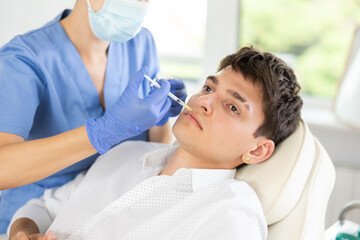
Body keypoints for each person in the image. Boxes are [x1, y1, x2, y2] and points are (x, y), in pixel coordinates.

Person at [8, 46, 303, 240]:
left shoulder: (231, 215)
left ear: (257, 149)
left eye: (233, 107)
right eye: (208, 87)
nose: (203, 101)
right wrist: (23, 233)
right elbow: (41, 208)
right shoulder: (126, 153)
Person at [0, 0, 187, 233]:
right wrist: (105, 130)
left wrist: (159, 117)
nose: (139, 4)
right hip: (31, 219)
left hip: (105, 212)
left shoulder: (141, 42)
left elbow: (153, 144)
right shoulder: (23, 59)